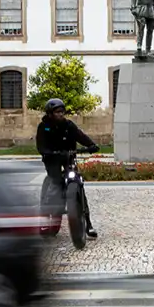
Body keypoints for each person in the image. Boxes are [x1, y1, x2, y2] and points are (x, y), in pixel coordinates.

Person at [36, 98, 99, 238]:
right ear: (50, 113)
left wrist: (91, 145)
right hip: (52, 159)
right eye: (57, 112)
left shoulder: (68, 125)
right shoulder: (44, 126)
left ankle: (88, 223)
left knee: (77, 183)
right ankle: (45, 217)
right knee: (56, 182)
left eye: (62, 111)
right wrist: (48, 152)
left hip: (68, 157)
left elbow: (80, 136)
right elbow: (40, 145)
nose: (60, 114)